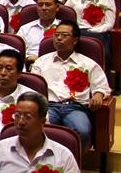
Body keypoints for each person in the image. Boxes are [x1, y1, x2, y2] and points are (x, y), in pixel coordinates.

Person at [30, 20, 110, 148]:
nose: (59, 38)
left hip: (75, 107)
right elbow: (34, 89)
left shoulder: (87, 63)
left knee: (82, 131)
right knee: (38, 128)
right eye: (56, 35)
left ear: (75, 40)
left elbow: (102, 86)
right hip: (49, 106)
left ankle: (74, 158)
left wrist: (98, 95)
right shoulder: (41, 62)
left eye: (64, 35)